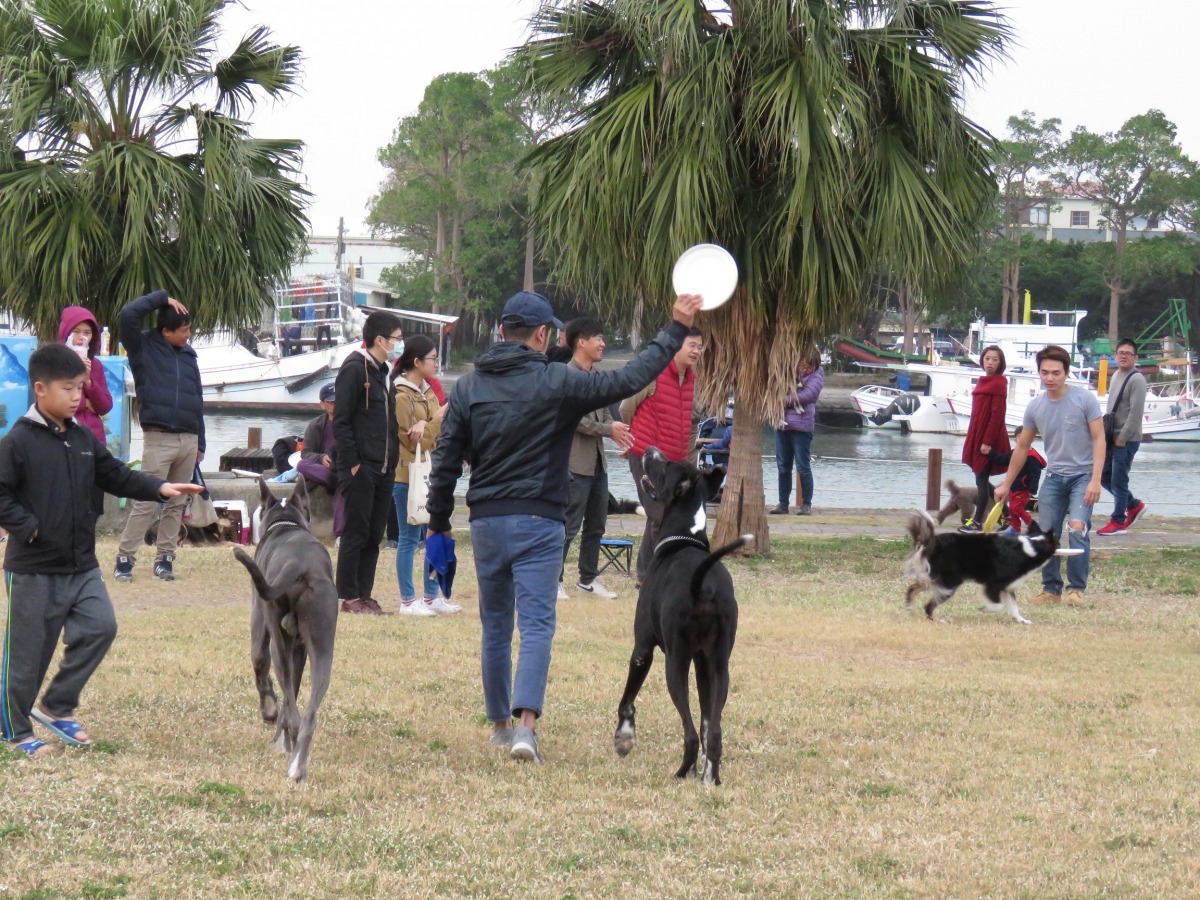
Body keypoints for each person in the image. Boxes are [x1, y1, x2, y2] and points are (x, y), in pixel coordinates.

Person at [427, 290, 703, 764]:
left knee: (495, 626)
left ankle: (498, 725)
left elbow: (446, 458)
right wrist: (675, 326)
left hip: (487, 519)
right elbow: (630, 377)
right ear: (541, 335)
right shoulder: (556, 381)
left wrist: (438, 523)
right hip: (539, 517)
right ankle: (525, 730)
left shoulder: (469, 386)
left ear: (499, 332)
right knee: (536, 627)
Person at [0, 344, 201, 757]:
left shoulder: (83, 437)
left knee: (101, 627)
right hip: (34, 567)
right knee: (27, 657)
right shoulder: (17, 442)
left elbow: (112, 475)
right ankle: (15, 731)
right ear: (40, 389)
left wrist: (159, 487)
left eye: (81, 387)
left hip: (82, 564)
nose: (78, 396)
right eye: (68, 388)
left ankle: (55, 705)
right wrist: (30, 529)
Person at [995, 345, 1104, 607]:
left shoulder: (1085, 400)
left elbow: (1100, 439)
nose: (1050, 378)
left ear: (1066, 373)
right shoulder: (1035, 407)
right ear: (1039, 373)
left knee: (1077, 528)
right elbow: (1022, 447)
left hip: (1083, 475)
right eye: (1045, 372)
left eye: (1056, 372)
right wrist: (1006, 484)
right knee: (1045, 533)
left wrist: (1096, 480)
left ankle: (1076, 589)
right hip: (1054, 476)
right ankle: (1051, 589)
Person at [114, 291, 205, 583]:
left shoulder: (189, 356)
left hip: (188, 439)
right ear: (165, 331)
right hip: (159, 437)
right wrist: (162, 298)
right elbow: (127, 315)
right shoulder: (143, 347)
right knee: (147, 500)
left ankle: (165, 559)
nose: (188, 335)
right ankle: (125, 558)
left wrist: (200, 441)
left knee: (178, 503)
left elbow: (197, 398)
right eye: (183, 330)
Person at [619, 326, 704, 584]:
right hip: (646, 457)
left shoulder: (690, 380)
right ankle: (656, 576)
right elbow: (626, 407)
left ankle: (646, 575)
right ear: (676, 345)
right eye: (692, 345)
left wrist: (689, 464)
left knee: (661, 514)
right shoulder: (654, 373)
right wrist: (632, 439)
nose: (696, 351)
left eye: (700, 347)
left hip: (674, 463)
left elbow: (690, 425)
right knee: (662, 514)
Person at [559, 317, 634, 601]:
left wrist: (615, 432)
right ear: (581, 342)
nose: (603, 344)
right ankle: (554, 580)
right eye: (598, 339)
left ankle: (588, 579)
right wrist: (607, 429)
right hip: (574, 464)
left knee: (596, 524)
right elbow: (574, 419)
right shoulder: (566, 376)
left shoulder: (597, 377)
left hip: (598, 464)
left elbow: (604, 415)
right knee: (568, 525)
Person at [334, 311, 403, 615]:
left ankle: (365, 593)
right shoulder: (354, 368)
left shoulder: (383, 372)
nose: (399, 344)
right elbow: (342, 420)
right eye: (396, 339)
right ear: (380, 339)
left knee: (375, 535)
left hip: (384, 467)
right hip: (362, 466)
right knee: (356, 532)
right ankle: (349, 596)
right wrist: (352, 463)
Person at [391, 335, 457, 616]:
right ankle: (408, 600)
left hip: (429, 472)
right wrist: (435, 421)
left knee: (433, 532)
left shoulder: (427, 391)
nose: (436, 362)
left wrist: (427, 424)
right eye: (432, 358)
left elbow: (431, 434)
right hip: (406, 473)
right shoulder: (400, 395)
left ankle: (431, 596)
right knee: (408, 537)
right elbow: (411, 441)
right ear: (416, 362)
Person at [269, 383, 346, 537]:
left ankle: (340, 534)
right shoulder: (316, 425)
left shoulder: (348, 423)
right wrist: (321, 457)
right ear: (322, 404)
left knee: (342, 481)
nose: (335, 405)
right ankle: (336, 478)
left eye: (338, 401)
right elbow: (306, 453)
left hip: (343, 467)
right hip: (325, 469)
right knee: (302, 465)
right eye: (331, 402)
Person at [59, 307, 114, 517]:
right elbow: (58, 403)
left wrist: (88, 380)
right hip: (65, 440)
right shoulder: (54, 362)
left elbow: (105, 406)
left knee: (92, 506)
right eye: (76, 331)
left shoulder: (96, 365)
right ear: (66, 331)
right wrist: (85, 404)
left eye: (88, 333)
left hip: (93, 441)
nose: (81, 337)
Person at [957, 345, 1010, 533]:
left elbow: (997, 416)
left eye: (995, 359)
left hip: (989, 439)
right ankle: (1006, 517)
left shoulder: (999, 383)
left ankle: (978, 522)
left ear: (1000, 363)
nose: (990, 362)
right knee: (982, 479)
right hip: (977, 434)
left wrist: (987, 442)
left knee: (981, 480)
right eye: (987, 358)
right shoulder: (983, 381)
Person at [1098, 338, 1149, 536]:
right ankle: (1133, 505)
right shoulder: (1117, 375)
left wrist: (1123, 438)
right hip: (1112, 436)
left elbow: (1135, 413)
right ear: (1115, 355)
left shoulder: (1137, 379)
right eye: (1121, 353)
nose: (1124, 356)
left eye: (1128, 353)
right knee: (1104, 476)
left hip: (1125, 439)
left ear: (1135, 357)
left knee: (1119, 480)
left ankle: (1118, 520)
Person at [769, 346, 825, 516]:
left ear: (815, 366)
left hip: (802, 427)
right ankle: (783, 503)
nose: (805, 369)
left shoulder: (817, 376)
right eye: (803, 365)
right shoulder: (788, 372)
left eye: (809, 366)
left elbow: (808, 396)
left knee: (803, 466)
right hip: (782, 424)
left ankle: (806, 504)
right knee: (783, 466)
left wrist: (782, 400)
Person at [989, 446, 1046, 535]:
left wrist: (1032, 489)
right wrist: (990, 452)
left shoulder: (1032, 456)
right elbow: (1002, 460)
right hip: (1013, 487)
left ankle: (1034, 527)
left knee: (1017, 508)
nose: (1021, 439)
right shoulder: (1014, 453)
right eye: (1018, 437)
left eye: (1022, 437)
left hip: (1024, 489)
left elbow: (1035, 473)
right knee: (1012, 510)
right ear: (1016, 440)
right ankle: (1015, 530)